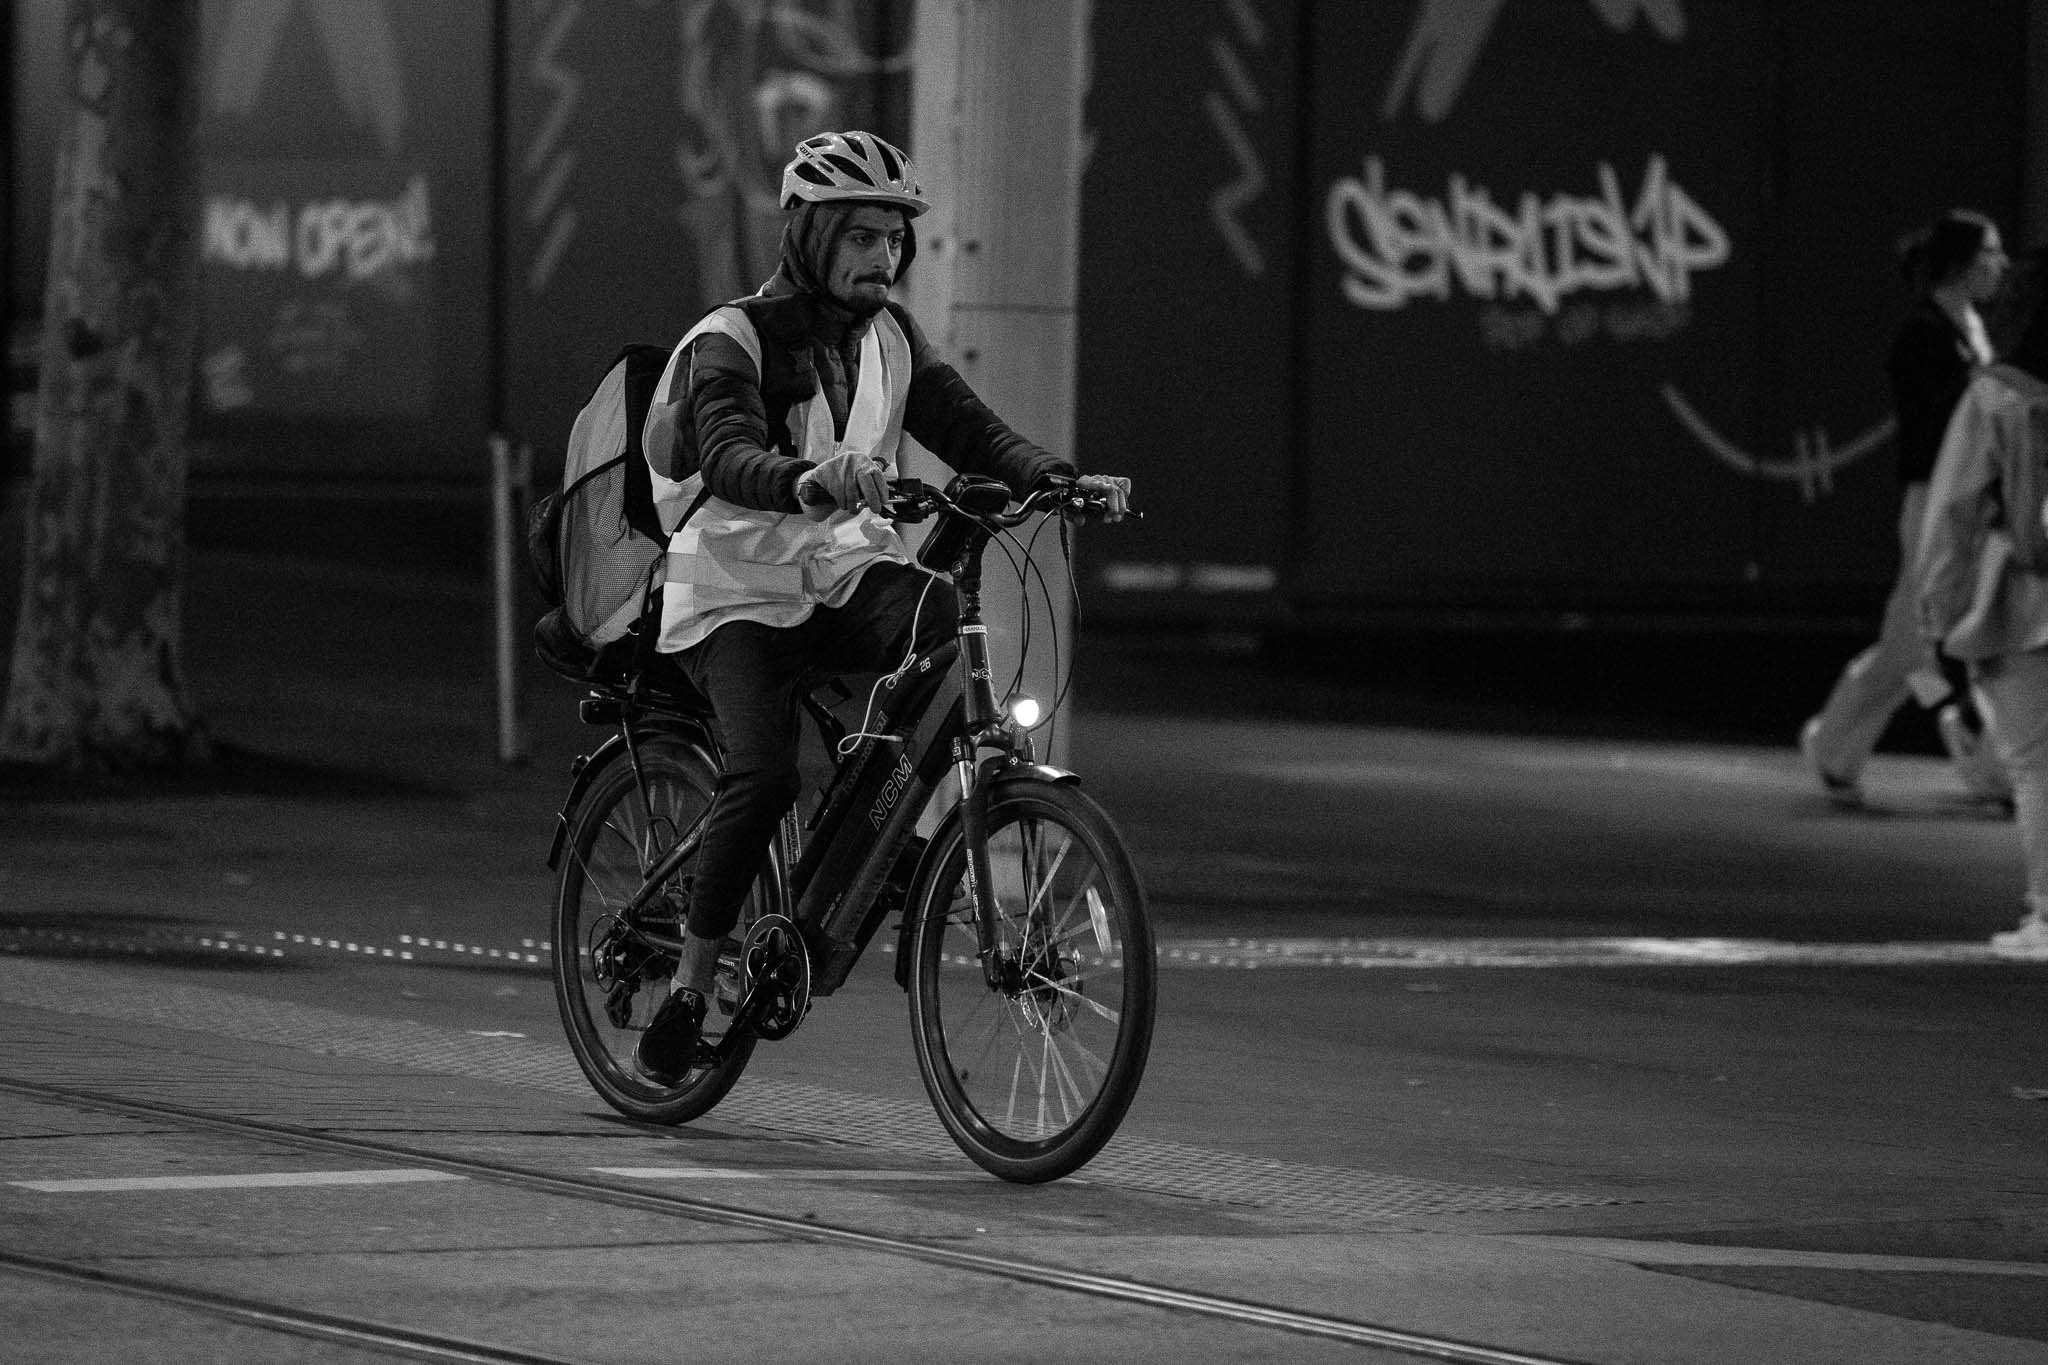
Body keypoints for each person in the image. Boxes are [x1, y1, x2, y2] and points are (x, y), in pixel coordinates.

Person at [630, 130, 1133, 1082]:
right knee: (765, 777)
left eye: (895, 240)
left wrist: (1061, 480)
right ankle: (691, 986)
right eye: (862, 238)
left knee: (947, 625)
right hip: (734, 590)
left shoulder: (892, 339)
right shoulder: (732, 339)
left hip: (838, 576)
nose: (884, 259)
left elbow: (970, 429)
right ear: (812, 236)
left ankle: (887, 828)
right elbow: (729, 452)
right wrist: (813, 479)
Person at [1801, 209, 2012, 808]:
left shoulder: (1973, 328)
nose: (2000, 266)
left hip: (1972, 506)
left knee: (1946, 641)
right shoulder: (1922, 335)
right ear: (1963, 264)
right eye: (1990, 254)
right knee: (1912, 649)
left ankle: (1964, 734)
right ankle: (1846, 743)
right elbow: (1937, 425)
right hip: (1935, 504)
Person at [1914, 246, 2048, 960]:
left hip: (2026, 603)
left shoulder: (2000, 392)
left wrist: (1939, 611)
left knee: (2036, 763)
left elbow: (1956, 512)